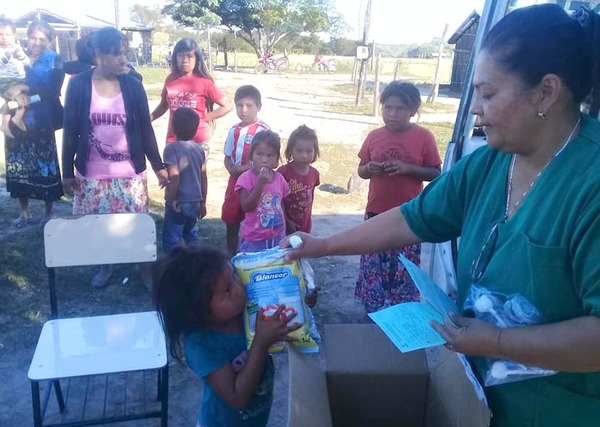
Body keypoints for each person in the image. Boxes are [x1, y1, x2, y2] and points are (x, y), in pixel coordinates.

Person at [283, 5, 600, 426]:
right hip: (477, 400)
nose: (475, 109)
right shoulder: (488, 165)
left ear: (545, 92)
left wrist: (501, 341)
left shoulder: (590, 183)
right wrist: (323, 246)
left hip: (558, 410)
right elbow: (411, 218)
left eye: (488, 94)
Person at [62, 27, 169, 289]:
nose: (124, 60)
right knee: (98, 228)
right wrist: (66, 173)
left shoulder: (133, 86)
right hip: (92, 174)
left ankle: (144, 268)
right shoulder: (78, 85)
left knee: (137, 226)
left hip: (129, 174)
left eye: (125, 53)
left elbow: (145, 128)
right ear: (98, 54)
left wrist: (158, 166)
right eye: (116, 54)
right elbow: (70, 131)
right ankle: (105, 265)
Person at [153, 245, 297, 427]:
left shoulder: (242, 311)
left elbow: (283, 316)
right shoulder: (202, 345)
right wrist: (260, 344)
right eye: (227, 290)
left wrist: (302, 303)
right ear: (199, 313)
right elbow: (237, 397)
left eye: (235, 275)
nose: (239, 287)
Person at [355, 81, 441, 313]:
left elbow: (435, 173)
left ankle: (401, 312)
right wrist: (369, 169)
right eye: (388, 108)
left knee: (404, 265)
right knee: (374, 261)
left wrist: (408, 168)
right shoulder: (374, 136)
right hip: (376, 211)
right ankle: (374, 308)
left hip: (409, 215)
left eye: (400, 108)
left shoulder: (424, 137)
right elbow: (361, 170)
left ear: (413, 111)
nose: (393, 114)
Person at [3, 19, 64, 228]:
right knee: (18, 165)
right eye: (33, 38)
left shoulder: (56, 60)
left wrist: (26, 91)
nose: (37, 42)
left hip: (41, 120)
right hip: (14, 119)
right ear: (26, 36)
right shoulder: (11, 54)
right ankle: (24, 213)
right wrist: (10, 94)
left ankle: (48, 213)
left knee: (45, 165)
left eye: (42, 39)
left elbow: (52, 91)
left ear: (50, 40)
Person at [150, 38, 232, 155]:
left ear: (196, 59)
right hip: (174, 139)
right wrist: (150, 118)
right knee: (173, 173)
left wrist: (204, 118)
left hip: (197, 140)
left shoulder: (205, 82)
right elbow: (164, 105)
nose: (185, 60)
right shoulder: (170, 80)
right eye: (180, 56)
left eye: (189, 56)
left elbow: (227, 106)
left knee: (195, 173)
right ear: (175, 57)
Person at [222, 85, 270, 255]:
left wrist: (243, 168)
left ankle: (255, 253)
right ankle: (231, 255)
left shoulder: (263, 131)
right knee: (231, 219)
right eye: (239, 105)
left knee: (256, 218)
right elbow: (227, 157)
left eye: (249, 106)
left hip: (255, 182)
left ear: (259, 107)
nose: (244, 110)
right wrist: (231, 169)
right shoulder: (234, 130)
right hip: (235, 182)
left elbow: (267, 159)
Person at [235, 131, 290, 252]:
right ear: (251, 157)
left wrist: (284, 225)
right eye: (259, 154)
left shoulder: (279, 178)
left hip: (277, 235)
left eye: (270, 155)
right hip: (254, 238)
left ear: (276, 159)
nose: (264, 159)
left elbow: (281, 205)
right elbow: (246, 207)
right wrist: (260, 183)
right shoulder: (246, 179)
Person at [162, 107, 207, 253]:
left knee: (173, 237)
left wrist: (171, 198)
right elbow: (203, 177)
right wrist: (203, 202)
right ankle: (195, 263)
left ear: (173, 128)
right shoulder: (199, 150)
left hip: (179, 201)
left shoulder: (171, 149)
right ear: (195, 130)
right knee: (191, 234)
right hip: (195, 200)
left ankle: (174, 266)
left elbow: (175, 175)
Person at [277, 125, 320, 235]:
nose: (304, 155)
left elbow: (311, 197)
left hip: (305, 226)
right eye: (299, 151)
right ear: (291, 150)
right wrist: (286, 221)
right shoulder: (282, 173)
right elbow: (276, 200)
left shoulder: (314, 174)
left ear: (315, 152)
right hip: (283, 226)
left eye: (309, 151)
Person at [0, 17, 30, 138]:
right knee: (20, 99)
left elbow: (27, 62)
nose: (4, 37)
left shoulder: (17, 47)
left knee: (19, 100)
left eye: (7, 34)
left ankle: (6, 123)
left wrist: (21, 56)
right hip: (5, 80)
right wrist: (5, 58)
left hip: (20, 79)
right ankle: (16, 118)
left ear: (13, 35)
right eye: (0, 34)